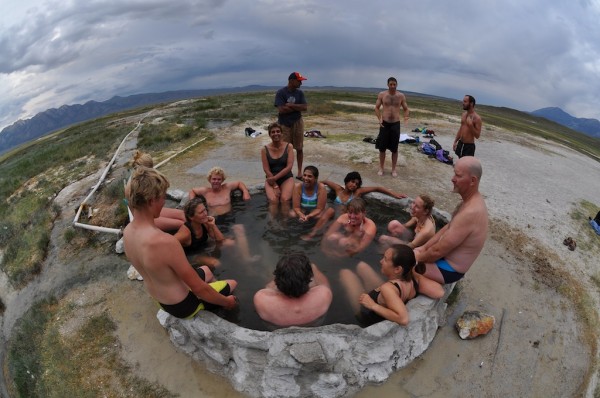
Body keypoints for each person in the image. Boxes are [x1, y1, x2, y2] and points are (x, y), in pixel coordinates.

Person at [122, 166, 237, 319]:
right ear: (151, 201)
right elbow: (198, 289)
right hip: (182, 305)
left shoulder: (128, 232)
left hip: (160, 298)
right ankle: (214, 309)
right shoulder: (165, 242)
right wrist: (227, 302)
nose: (164, 202)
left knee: (207, 270)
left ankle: (212, 296)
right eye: (163, 197)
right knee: (233, 284)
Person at [414, 157, 488, 284]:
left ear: (472, 181)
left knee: (403, 266)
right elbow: (448, 227)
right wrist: (424, 247)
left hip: (449, 270)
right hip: (444, 258)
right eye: (454, 173)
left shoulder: (471, 212)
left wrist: (417, 259)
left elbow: (438, 251)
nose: (452, 179)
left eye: (458, 176)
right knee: (412, 253)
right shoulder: (468, 202)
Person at [340, 244, 444, 326]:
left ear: (398, 269)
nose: (381, 261)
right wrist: (415, 273)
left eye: (385, 259)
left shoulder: (387, 289)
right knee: (362, 266)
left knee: (345, 273)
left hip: (368, 315)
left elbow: (403, 319)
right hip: (391, 297)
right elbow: (440, 292)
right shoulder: (414, 278)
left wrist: (372, 305)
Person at [304, 171, 407, 239]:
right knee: (329, 211)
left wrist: (394, 194)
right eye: (352, 182)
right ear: (347, 180)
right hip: (334, 216)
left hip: (347, 219)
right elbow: (325, 181)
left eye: (356, 184)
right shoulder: (338, 189)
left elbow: (377, 188)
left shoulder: (357, 193)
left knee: (333, 232)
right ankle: (313, 233)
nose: (354, 185)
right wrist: (311, 184)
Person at [253, 252, 332, 327]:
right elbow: (323, 285)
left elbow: (269, 288)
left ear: (277, 280)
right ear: (309, 278)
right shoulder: (324, 294)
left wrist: (283, 275)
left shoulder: (261, 299)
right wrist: (312, 268)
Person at [126, 150, 185, 231]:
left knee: (182, 215)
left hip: (150, 212)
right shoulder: (135, 186)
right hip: (145, 219)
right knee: (181, 224)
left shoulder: (136, 179)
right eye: (151, 169)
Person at [274, 72, 308, 179]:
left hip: (297, 122)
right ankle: (285, 172)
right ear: (291, 80)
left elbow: (305, 107)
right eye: (299, 81)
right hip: (284, 124)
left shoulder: (300, 93)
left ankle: (299, 172)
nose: (301, 83)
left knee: (299, 148)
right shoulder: (281, 93)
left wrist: (291, 105)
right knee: (285, 149)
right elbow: (282, 110)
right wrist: (297, 107)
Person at [374, 77, 410, 177]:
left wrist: (406, 117)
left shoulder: (401, 96)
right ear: (388, 85)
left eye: (394, 84)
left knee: (395, 148)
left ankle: (394, 169)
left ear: (396, 85)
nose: (393, 86)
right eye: (391, 84)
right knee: (382, 148)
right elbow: (376, 108)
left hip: (395, 124)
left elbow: (406, 109)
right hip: (384, 123)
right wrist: (379, 118)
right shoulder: (382, 94)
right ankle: (381, 168)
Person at [261, 122, 295, 218]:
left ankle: (284, 223)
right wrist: (275, 185)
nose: (276, 134)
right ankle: (272, 223)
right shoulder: (264, 149)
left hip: (286, 177)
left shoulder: (289, 146)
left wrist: (274, 178)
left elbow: (289, 167)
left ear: (281, 133)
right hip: (271, 178)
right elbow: (266, 169)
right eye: (273, 132)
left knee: (284, 200)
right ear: (269, 134)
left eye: (278, 131)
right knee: (274, 201)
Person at [291, 166, 327, 236]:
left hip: (315, 209)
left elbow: (320, 208)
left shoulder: (321, 187)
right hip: (303, 209)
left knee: (318, 216)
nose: (306, 178)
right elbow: (296, 207)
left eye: (310, 176)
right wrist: (301, 214)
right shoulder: (298, 186)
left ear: (315, 178)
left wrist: (309, 216)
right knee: (292, 214)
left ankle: (314, 231)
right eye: (304, 175)